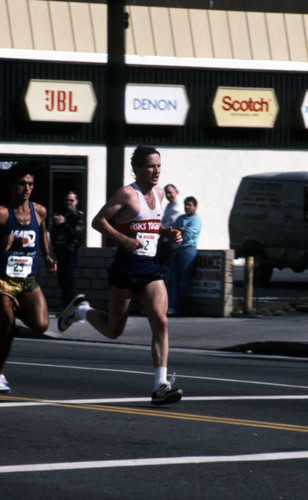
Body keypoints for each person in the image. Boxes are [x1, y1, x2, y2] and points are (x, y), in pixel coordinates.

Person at [58, 146, 183, 405]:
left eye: (159, 165)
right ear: (137, 168)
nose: (156, 170)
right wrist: (123, 239)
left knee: (161, 321)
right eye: (150, 166)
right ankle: (81, 311)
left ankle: (160, 385)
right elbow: (98, 221)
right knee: (114, 330)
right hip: (125, 269)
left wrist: (167, 233)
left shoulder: (160, 194)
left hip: (150, 269)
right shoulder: (126, 194)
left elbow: (152, 224)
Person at [0, 162, 57, 392]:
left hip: (27, 279)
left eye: (30, 184)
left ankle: (12, 312)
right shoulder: (3, 213)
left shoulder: (39, 210)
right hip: (3, 280)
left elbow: (42, 232)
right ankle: (0, 374)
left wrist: (48, 256)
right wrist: (1, 246)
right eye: (22, 184)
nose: (27, 188)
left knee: (41, 324)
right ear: (12, 185)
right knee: (6, 328)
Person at [167, 196, 202, 316]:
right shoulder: (180, 218)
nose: (187, 207)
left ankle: (179, 307)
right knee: (172, 280)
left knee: (183, 280)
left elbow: (189, 235)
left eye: (189, 205)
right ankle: (171, 306)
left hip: (188, 250)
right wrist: (180, 229)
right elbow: (171, 229)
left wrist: (181, 230)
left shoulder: (196, 219)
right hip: (176, 250)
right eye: (185, 205)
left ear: (195, 207)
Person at [51, 191, 85, 308]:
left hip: (70, 251)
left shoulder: (78, 215)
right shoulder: (63, 215)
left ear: (76, 202)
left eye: (71, 200)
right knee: (62, 280)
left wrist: (64, 223)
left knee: (69, 280)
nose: (68, 202)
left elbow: (77, 233)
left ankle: (69, 307)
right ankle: (66, 305)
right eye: (67, 200)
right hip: (61, 250)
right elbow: (55, 233)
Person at [158, 184, 184, 266]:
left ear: (176, 191)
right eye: (166, 193)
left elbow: (173, 223)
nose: (168, 195)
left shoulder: (178, 205)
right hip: (166, 238)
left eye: (170, 192)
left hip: (172, 240)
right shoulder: (170, 205)